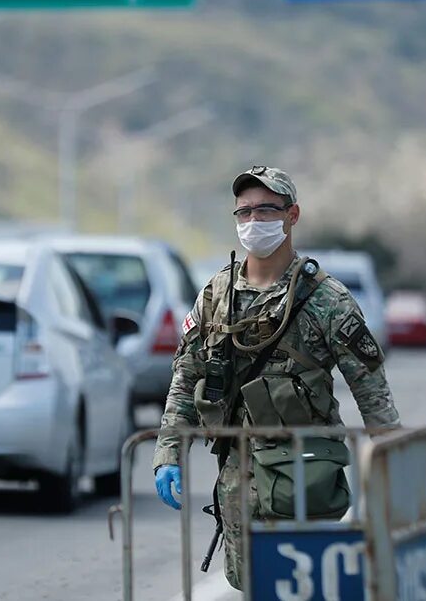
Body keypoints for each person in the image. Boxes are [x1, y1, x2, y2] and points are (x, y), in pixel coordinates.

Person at [151, 166, 400, 590]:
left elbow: (371, 391)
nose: (253, 222)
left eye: (266, 210)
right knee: (249, 582)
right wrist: (168, 452)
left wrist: (400, 466)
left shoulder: (327, 299)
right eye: (244, 212)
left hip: (303, 476)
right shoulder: (216, 294)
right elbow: (186, 375)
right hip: (236, 475)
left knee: (305, 585)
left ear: (292, 215)